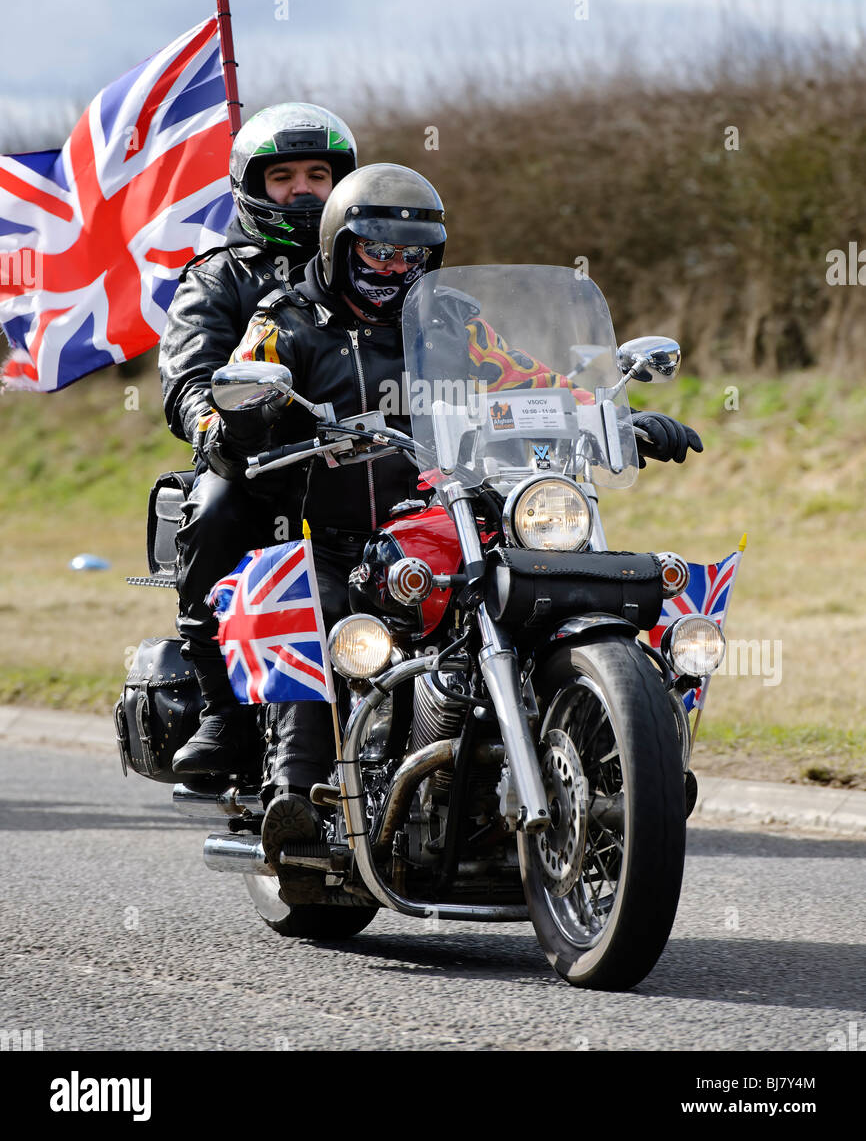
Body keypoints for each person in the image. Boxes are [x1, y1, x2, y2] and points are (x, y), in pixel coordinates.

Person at [184, 162, 703, 861]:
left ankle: (616, 754)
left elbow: (528, 380)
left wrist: (618, 417)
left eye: (414, 256)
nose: (397, 266)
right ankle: (294, 798)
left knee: (524, 591)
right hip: (331, 530)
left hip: (440, 518)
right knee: (317, 615)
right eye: (380, 251)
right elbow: (230, 399)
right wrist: (240, 424)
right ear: (339, 246)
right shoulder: (289, 320)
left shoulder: (452, 319)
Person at [159, 103, 357, 776]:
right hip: (260, 462)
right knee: (212, 510)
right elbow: (187, 379)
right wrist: (218, 427)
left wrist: (577, 402)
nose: (303, 189)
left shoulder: (383, 266)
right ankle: (224, 710)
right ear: (253, 186)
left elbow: (460, 348)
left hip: (373, 456)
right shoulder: (222, 276)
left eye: (317, 174)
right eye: (284, 177)